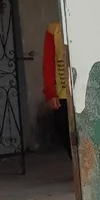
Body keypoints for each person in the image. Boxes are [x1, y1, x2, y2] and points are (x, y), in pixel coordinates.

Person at [42, 20, 70, 154]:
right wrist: (50, 93)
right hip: (62, 93)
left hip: (86, 90)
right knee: (62, 129)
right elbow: (48, 63)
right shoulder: (54, 29)